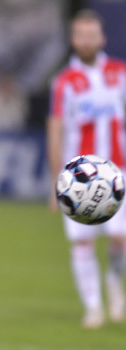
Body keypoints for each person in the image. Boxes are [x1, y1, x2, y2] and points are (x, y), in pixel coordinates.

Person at [48, 9, 126, 329]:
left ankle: (113, 283)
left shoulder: (120, 73)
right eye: (80, 34)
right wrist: (56, 180)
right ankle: (93, 307)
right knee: (82, 242)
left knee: (120, 238)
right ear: (73, 39)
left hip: (118, 171)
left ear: (102, 38)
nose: (86, 40)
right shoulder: (65, 81)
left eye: (91, 34)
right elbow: (55, 128)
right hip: (78, 177)